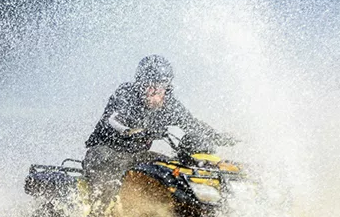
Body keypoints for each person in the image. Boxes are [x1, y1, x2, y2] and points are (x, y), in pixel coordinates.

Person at [83, 55, 233, 200]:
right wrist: (139, 132)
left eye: (159, 85)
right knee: (104, 167)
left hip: (137, 156)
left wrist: (217, 137)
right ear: (139, 83)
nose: (152, 90)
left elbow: (191, 124)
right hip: (106, 151)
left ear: (167, 87)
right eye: (147, 84)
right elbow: (113, 121)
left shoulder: (169, 106)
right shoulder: (126, 94)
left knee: (173, 168)